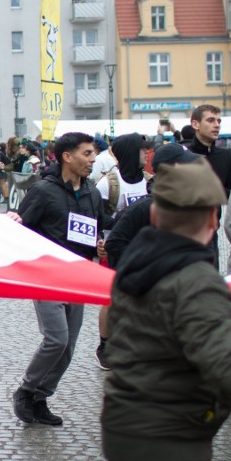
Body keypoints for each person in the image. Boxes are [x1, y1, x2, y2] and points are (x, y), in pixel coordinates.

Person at [102, 159, 231, 461]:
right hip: (169, 445)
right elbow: (226, 365)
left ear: (154, 216)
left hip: (128, 431)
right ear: (214, 219)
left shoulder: (138, 267)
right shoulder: (196, 282)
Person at [7, 132, 111, 426]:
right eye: (87, 154)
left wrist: (100, 244)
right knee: (57, 338)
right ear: (68, 157)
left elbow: (97, 228)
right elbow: (20, 229)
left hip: (77, 276)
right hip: (47, 276)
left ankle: (41, 397)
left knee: (68, 348)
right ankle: (25, 391)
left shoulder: (91, 191)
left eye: (93, 154)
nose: (93, 160)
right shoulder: (42, 191)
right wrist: (14, 221)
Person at [93, 133, 150, 370]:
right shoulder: (109, 183)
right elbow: (96, 215)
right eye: (142, 150)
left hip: (143, 248)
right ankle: (105, 345)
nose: (147, 154)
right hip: (113, 248)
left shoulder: (149, 180)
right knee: (112, 298)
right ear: (130, 152)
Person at [187, 104, 231, 267]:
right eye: (210, 120)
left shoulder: (226, 156)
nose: (217, 124)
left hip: (211, 232)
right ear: (195, 124)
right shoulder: (182, 154)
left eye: (219, 121)